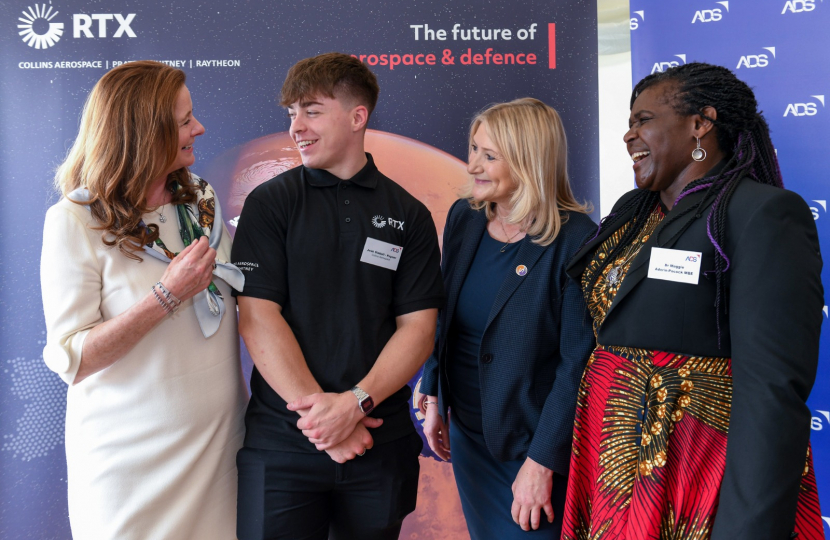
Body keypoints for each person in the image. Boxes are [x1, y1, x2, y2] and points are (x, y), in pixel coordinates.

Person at [561, 62, 824, 540]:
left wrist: (747, 529)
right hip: (616, 470)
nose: (628, 135)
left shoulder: (760, 214)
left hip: (697, 479)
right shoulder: (632, 213)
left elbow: (771, 393)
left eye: (643, 120)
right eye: (629, 122)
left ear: (700, 124)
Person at [230, 52, 444, 540]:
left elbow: (419, 328)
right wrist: (322, 422)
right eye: (291, 114)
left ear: (357, 116)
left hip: (376, 442)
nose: (296, 127)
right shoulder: (270, 203)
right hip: (284, 446)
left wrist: (354, 406)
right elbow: (257, 317)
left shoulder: (407, 214)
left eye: (311, 110)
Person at [40, 60, 247, 539]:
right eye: (183, 122)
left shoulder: (202, 202)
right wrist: (166, 296)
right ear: (142, 132)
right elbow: (75, 359)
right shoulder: (74, 222)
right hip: (130, 467)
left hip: (219, 454)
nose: (199, 128)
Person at [418, 98, 596, 539]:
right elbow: (446, 313)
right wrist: (435, 391)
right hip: (470, 434)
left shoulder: (575, 238)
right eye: (474, 149)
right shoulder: (466, 216)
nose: (473, 164)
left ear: (528, 160)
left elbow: (579, 364)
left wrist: (542, 463)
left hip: (531, 442)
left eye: (489, 155)